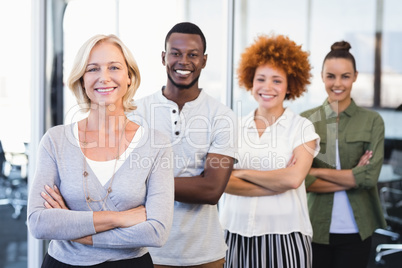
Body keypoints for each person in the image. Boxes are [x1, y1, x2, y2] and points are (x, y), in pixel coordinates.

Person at [27, 34, 174, 267]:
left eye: (114, 67)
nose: (104, 78)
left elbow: (156, 231)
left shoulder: (156, 144)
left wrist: (74, 230)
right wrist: (120, 218)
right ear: (82, 80)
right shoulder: (55, 141)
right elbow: (38, 222)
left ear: (129, 77)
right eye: (93, 69)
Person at [128, 22, 237, 267]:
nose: (183, 61)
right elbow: (126, 183)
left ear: (204, 60)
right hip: (146, 252)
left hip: (205, 255)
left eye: (192, 55)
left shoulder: (222, 116)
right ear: (164, 57)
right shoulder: (137, 113)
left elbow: (211, 190)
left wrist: (150, 181)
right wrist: (193, 181)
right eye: (176, 53)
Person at [218, 34, 320, 268]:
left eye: (277, 80)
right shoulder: (233, 126)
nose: (267, 87)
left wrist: (241, 173)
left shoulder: (302, 127)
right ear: (250, 82)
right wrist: (276, 182)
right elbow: (219, 183)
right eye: (260, 79)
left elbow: (294, 179)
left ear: (290, 85)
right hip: (234, 233)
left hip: (285, 235)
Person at [300, 41, 386, 268]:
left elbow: (369, 178)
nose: (338, 84)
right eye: (331, 76)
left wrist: (314, 170)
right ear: (321, 76)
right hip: (314, 227)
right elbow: (300, 180)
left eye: (345, 76)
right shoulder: (306, 120)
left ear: (355, 76)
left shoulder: (372, 121)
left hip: (357, 229)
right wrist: (353, 176)